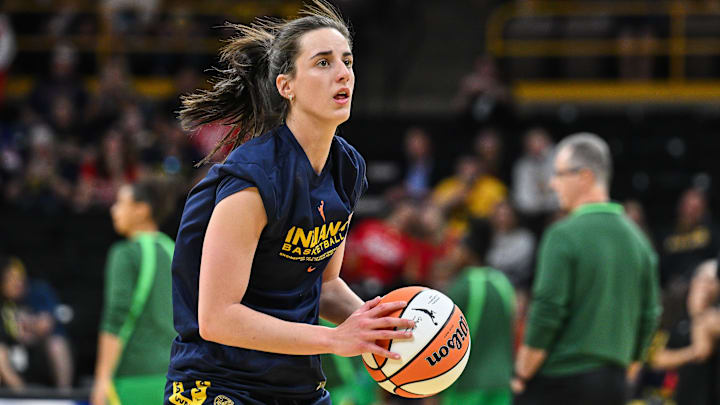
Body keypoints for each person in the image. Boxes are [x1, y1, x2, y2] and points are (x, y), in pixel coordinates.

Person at [165, 2, 414, 404]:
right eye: (322, 62)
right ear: (287, 85)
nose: (342, 72)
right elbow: (217, 318)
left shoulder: (347, 167)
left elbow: (327, 284)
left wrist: (384, 328)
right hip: (220, 384)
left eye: (347, 61)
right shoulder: (252, 180)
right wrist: (335, 339)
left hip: (297, 384)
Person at [513, 133, 662, 405]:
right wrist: (626, 371)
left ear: (584, 177)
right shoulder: (639, 241)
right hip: (614, 384)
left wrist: (522, 371)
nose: (552, 183)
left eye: (559, 174)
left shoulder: (562, 234)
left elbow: (548, 310)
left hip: (559, 381)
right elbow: (650, 315)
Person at [91, 178, 176, 405]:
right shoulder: (172, 250)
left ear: (142, 210)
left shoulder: (126, 253)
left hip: (133, 379)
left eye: (120, 203)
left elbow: (116, 316)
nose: (113, 210)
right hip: (173, 378)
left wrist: (101, 379)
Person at [441, 219, 516, 405]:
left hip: (466, 385)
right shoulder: (503, 282)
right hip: (502, 382)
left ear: (467, 252)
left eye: (457, 248)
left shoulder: (463, 285)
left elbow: (445, 341)